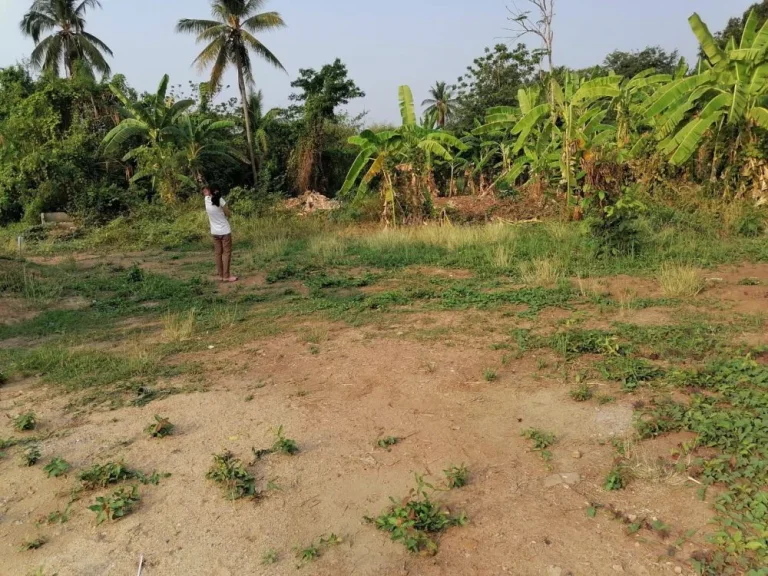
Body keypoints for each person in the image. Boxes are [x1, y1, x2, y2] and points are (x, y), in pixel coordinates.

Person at [203, 187, 238, 283]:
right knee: (226, 253)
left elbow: (208, 195)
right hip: (225, 231)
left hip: (214, 232)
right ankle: (226, 276)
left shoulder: (206, 200)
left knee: (218, 254)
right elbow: (228, 213)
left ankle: (220, 275)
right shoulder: (221, 201)